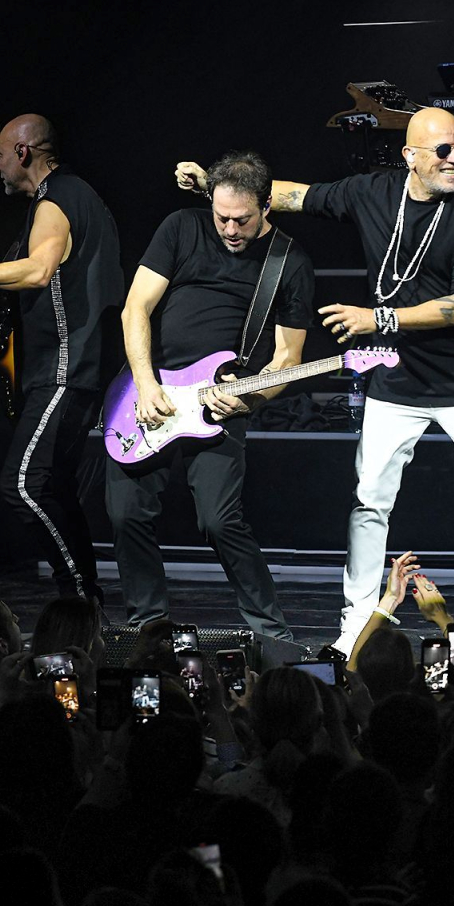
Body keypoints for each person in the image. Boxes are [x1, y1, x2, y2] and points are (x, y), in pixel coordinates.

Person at [179, 108, 454, 653]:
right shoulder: (373, 192)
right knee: (370, 501)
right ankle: (356, 622)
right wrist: (215, 183)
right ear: (410, 156)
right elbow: (294, 196)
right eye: (443, 150)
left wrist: (380, 319)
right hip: (396, 380)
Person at [108, 151, 311, 640]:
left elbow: (287, 357)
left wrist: (251, 400)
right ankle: (148, 628)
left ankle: (273, 635)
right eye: (222, 218)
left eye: (242, 220)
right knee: (125, 512)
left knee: (220, 521)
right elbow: (136, 307)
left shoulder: (289, 262)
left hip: (221, 402)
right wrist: (146, 382)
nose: (230, 229)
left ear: (267, 206)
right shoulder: (181, 227)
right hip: (149, 392)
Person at [0, 113, 123, 605]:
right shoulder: (74, 196)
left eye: (0, 156)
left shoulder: (57, 197)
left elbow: (38, 270)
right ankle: (82, 604)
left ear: (23, 151)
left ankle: (79, 598)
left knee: (23, 485)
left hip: (65, 369)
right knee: (52, 488)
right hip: (68, 368)